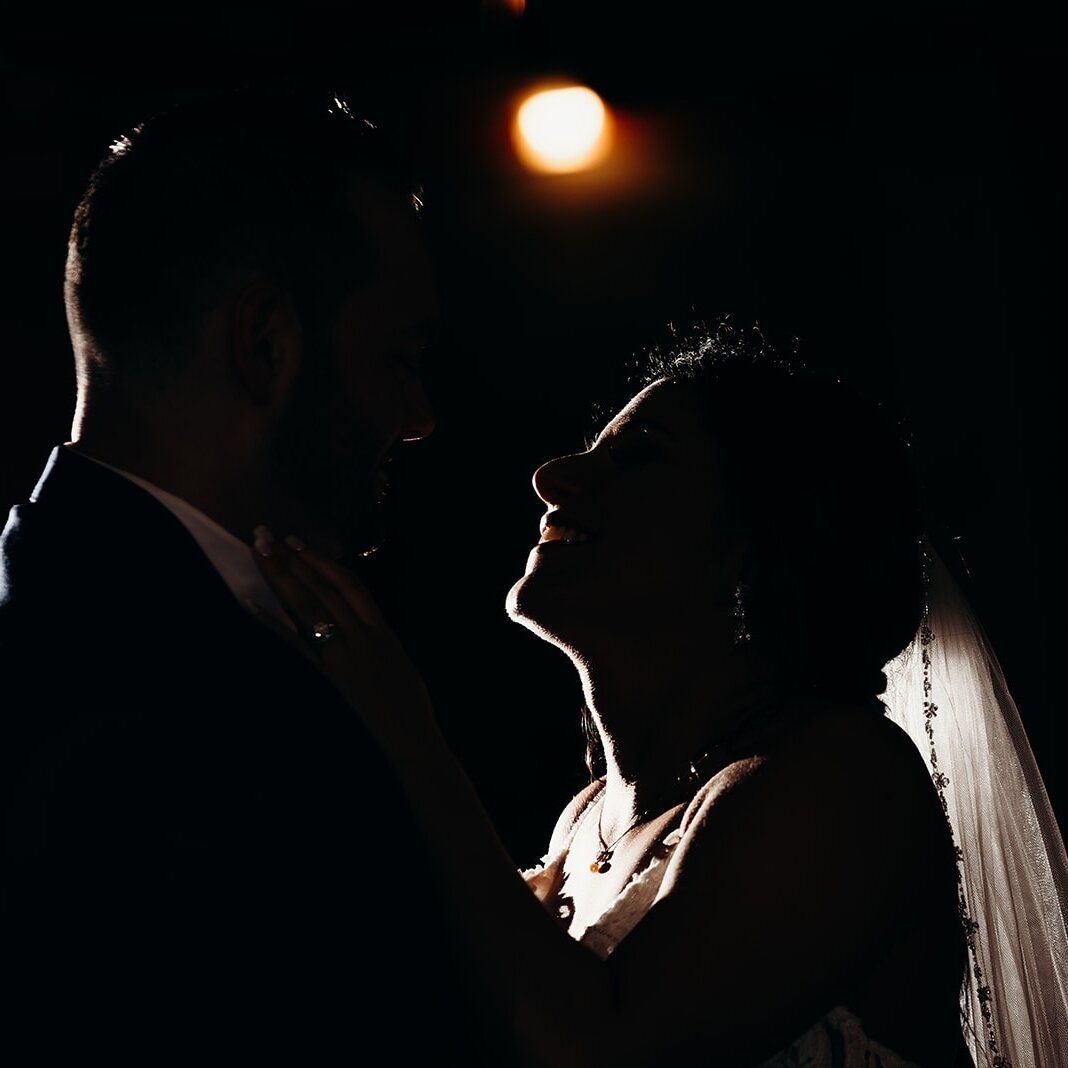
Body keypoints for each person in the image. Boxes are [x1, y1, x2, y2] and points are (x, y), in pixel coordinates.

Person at [250, 322, 1068, 1066]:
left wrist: (409, 743)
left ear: (759, 542)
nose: (553, 475)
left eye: (638, 456)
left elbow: (601, 1052)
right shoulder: (588, 816)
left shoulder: (842, 777)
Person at [1, 85, 489, 1062]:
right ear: (265, 344)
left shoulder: (116, 623)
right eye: (400, 357)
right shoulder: (115, 701)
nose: (422, 416)